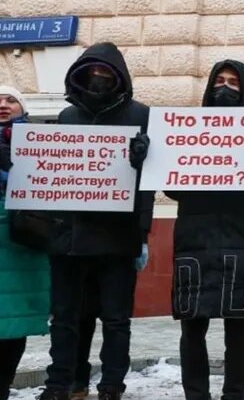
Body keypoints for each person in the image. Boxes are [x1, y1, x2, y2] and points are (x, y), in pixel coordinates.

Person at [155, 60, 244, 400]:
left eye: (234, 83)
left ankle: (233, 394)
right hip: (196, 243)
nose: (225, 88)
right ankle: (196, 395)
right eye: (219, 81)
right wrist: (152, 157)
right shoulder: (188, 132)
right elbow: (174, 188)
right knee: (192, 329)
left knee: (238, 331)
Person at [38, 43, 154, 400]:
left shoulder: (142, 115)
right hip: (69, 236)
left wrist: (143, 232)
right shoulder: (67, 117)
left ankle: (111, 386)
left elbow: (149, 182)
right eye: (93, 73)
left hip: (118, 237)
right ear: (81, 75)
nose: (99, 79)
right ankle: (63, 383)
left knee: (116, 320)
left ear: (120, 78)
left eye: (106, 74)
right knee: (66, 317)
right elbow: (53, 172)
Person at [0, 87, 51, 399]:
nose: (3, 105)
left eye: (11, 100)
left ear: (23, 107)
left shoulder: (41, 142)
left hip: (23, 240)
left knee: (15, 320)